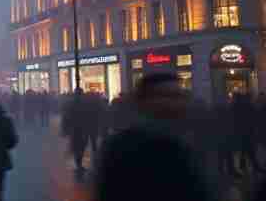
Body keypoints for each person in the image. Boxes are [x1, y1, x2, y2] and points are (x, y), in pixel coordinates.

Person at [93, 73, 212, 201]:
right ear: (144, 101)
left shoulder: (191, 142)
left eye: (178, 95)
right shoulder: (121, 147)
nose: (174, 102)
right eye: (165, 96)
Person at [60, 88, 94, 174]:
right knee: (81, 145)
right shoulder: (83, 103)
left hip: (77, 128)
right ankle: (79, 163)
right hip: (80, 128)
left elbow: (66, 116)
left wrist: (65, 128)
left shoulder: (73, 103)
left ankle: (78, 162)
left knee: (78, 145)